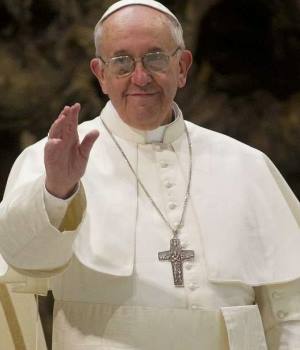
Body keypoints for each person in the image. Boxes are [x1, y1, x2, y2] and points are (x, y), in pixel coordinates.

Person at [0, 0, 300, 349]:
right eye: (122, 62)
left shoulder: (247, 165)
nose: (140, 77)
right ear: (100, 74)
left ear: (183, 66)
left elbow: (289, 305)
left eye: (156, 58)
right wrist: (57, 192)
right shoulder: (51, 160)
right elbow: (25, 265)